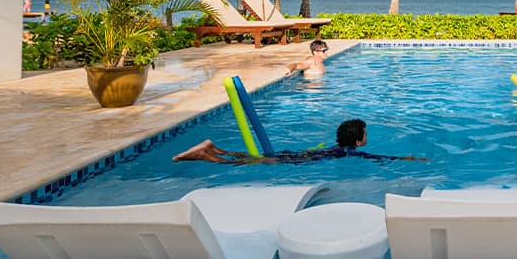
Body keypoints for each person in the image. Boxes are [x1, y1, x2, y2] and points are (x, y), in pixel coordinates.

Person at [172, 118, 427, 164]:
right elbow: (379, 159)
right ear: (358, 140)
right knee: (255, 162)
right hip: (296, 162)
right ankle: (208, 155)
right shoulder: (349, 153)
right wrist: (406, 158)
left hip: (298, 155)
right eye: (366, 134)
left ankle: (216, 148)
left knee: (256, 158)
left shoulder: (337, 147)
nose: (367, 137)